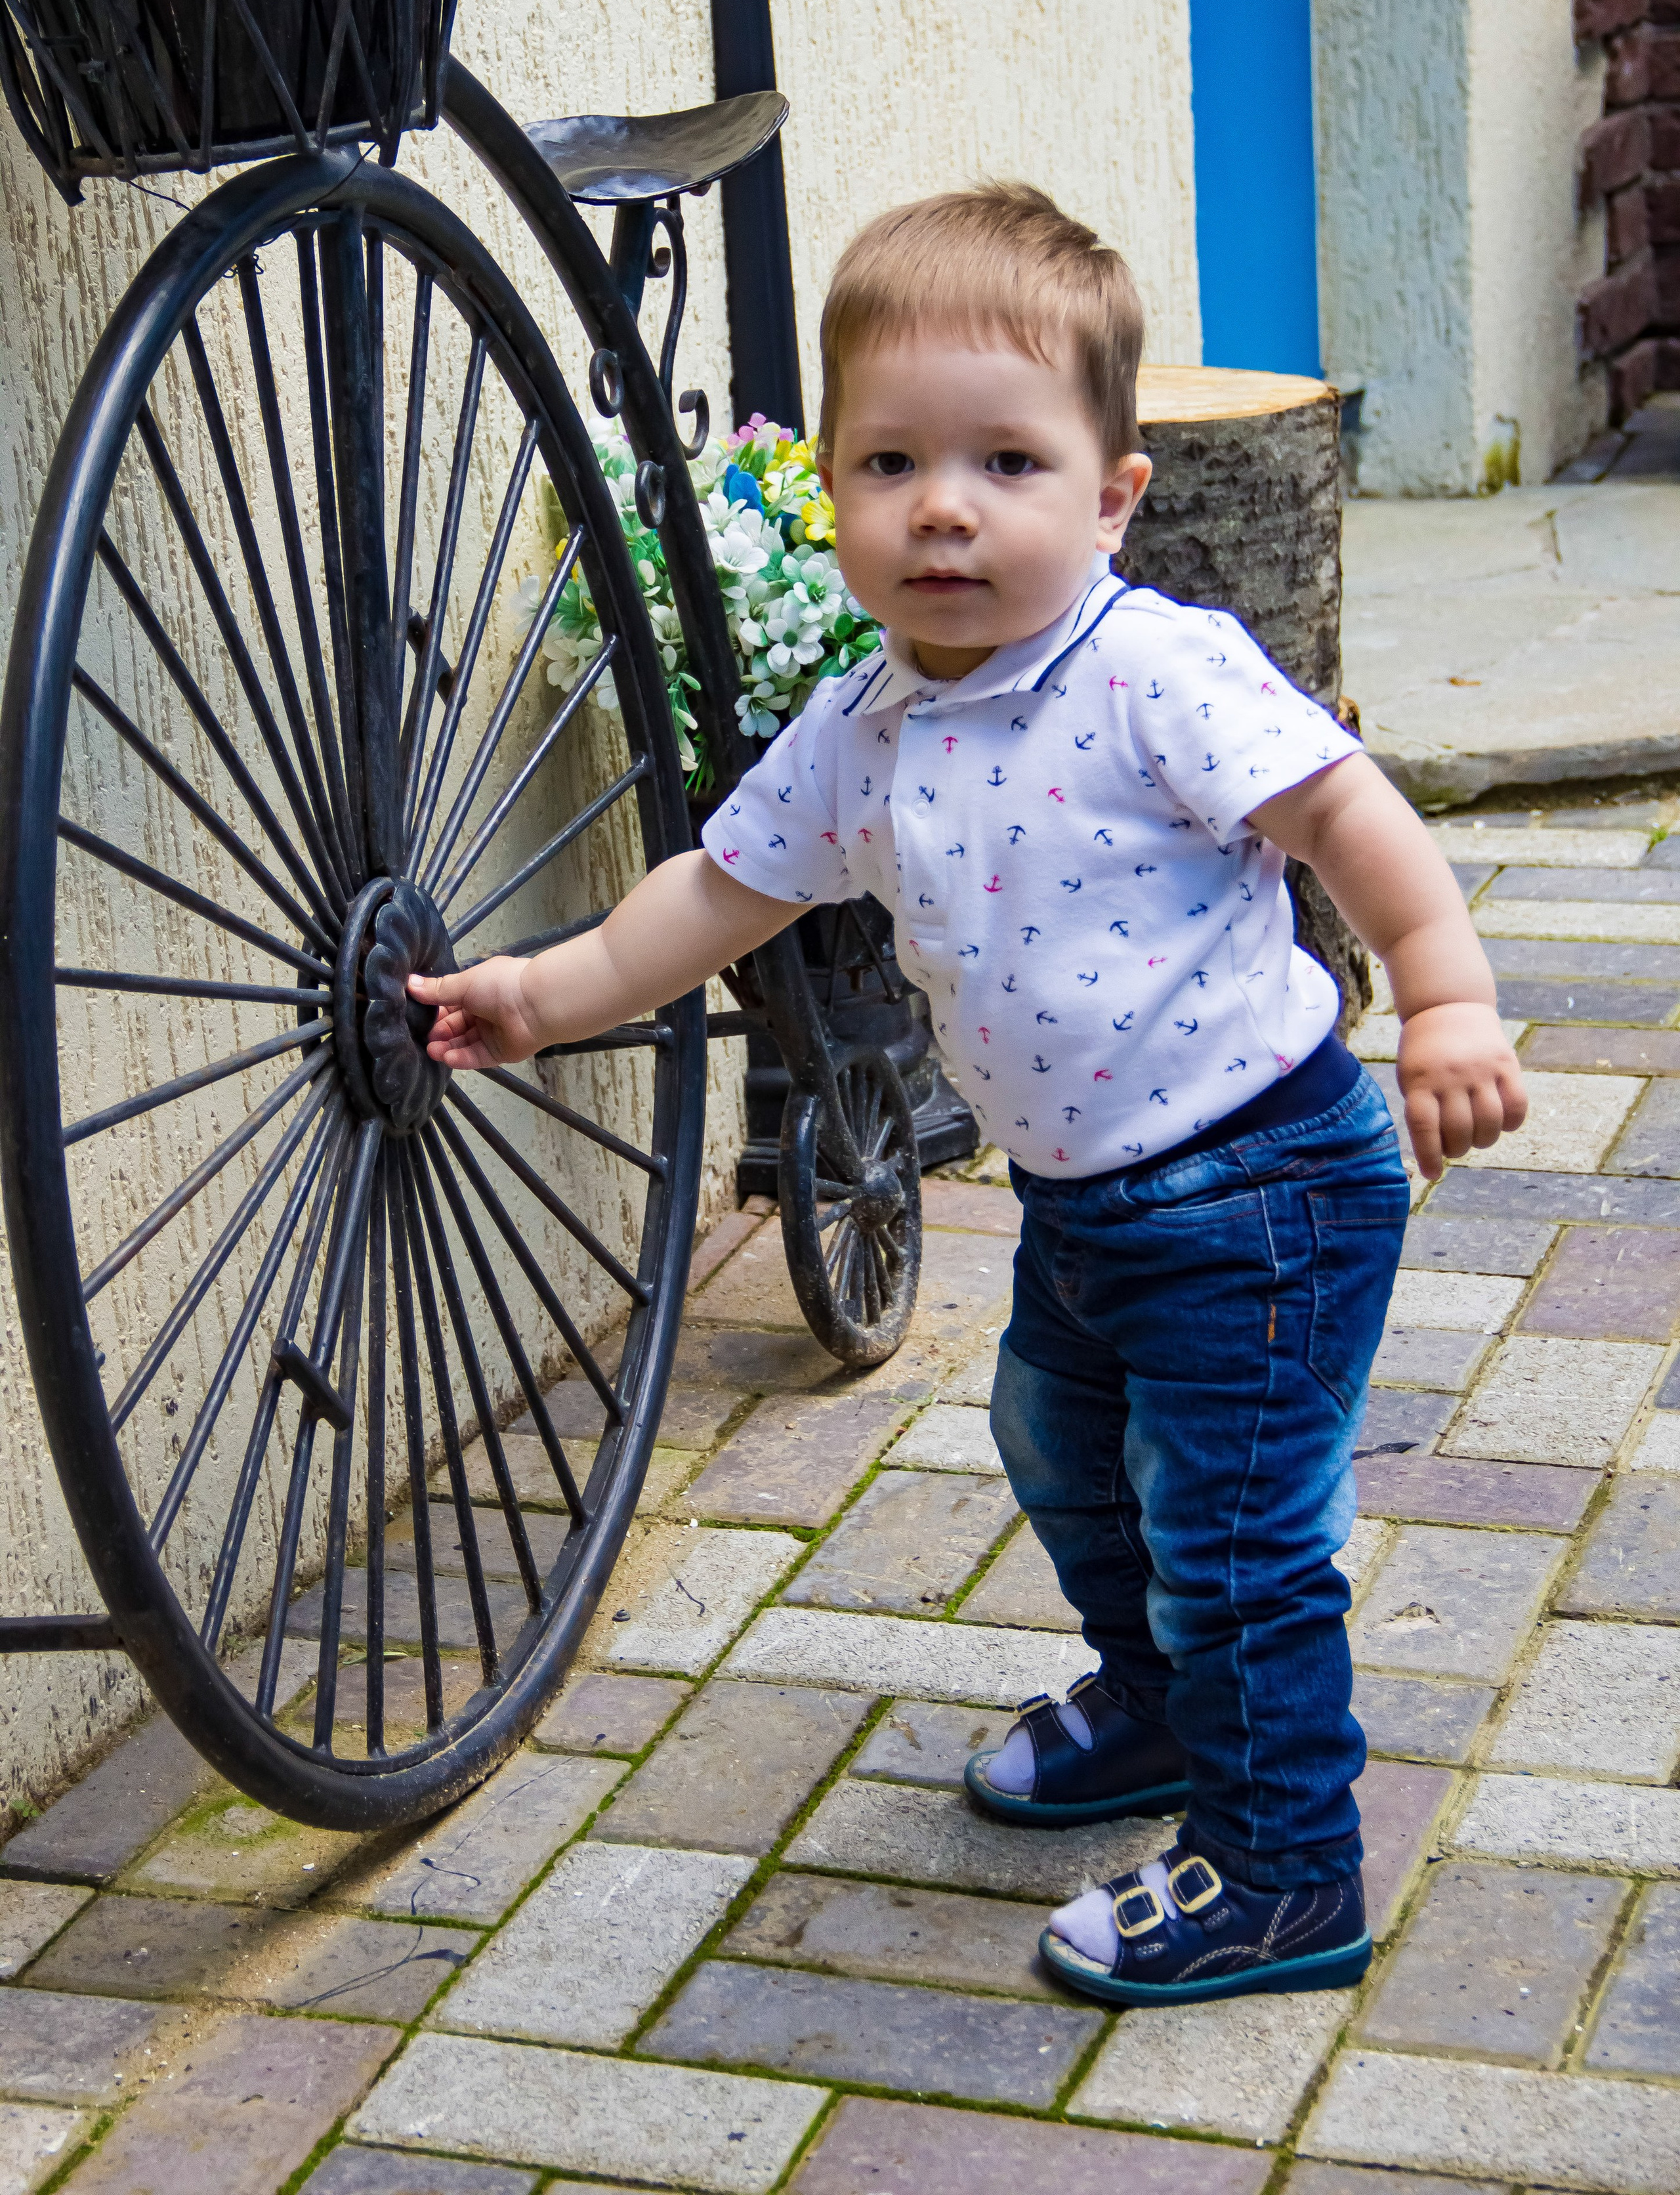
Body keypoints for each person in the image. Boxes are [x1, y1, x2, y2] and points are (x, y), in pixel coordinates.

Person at [410, 183, 1526, 2009]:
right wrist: (549, 991)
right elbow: (724, 886)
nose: (945, 507)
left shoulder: (1154, 673)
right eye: (892, 461)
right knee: (1061, 1454)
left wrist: (1450, 992)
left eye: (1008, 461)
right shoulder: (867, 725)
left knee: (1234, 1535)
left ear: (1111, 493)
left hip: (1262, 1185)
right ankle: (1162, 1708)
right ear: (831, 492)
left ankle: (1284, 1872)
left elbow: (1342, 810)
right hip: (1088, 1206)